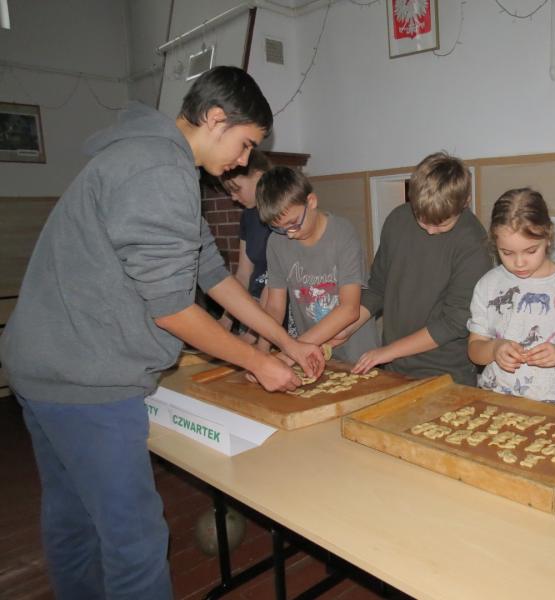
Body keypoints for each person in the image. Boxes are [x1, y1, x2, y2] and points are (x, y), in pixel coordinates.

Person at [0, 66, 323, 599]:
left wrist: (287, 342)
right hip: (85, 377)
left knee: (74, 519)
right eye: (245, 144)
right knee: (134, 541)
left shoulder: (148, 157)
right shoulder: (157, 169)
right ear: (216, 120)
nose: (244, 161)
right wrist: (257, 360)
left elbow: (211, 273)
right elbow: (173, 309)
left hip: (43, 365)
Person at [350, 152, 493, 385]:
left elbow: (453, 323)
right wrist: (345, 328)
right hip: (395, 366)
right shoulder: (397, 220)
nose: (430, 230)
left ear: (464, 202)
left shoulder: (473, 242)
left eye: (442, 224)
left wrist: (387, 352)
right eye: (421, 219)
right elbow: (377, 288)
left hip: (445, 372)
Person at [467, 188, 555, 403]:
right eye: (507, 253)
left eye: (531, 251)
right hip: (495, 398)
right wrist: (494, 349)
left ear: (548, 236)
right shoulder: (488, 285)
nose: (519, 262)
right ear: (495, 243)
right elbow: (475, 349)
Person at [257, 166, 380, 363]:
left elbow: (349, 309)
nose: (289, 233)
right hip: (311, 353)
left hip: (357, 355)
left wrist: (290, 353)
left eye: (293, 223)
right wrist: (260, 354)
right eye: (278, 228)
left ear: (311, 202)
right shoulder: (275, 242)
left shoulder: (342, 234)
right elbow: (274, 308)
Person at [218, 151, 298, 340]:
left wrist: (252, 336)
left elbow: (280, 280)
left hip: (281, 315)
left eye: (236, 189)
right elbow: (243, 274)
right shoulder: (248, 217)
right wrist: (225, 321)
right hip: (254, 313)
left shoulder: (284, 217)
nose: (233, 198)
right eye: (229, 192)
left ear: (259, 176)